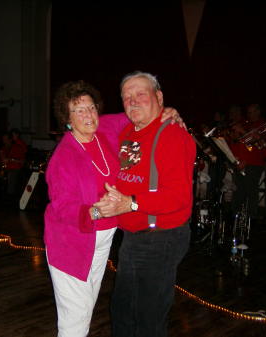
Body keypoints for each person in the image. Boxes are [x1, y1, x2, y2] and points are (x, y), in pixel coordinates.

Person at [44, 79, 183, 337]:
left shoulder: (104, 129)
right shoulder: (63, 158)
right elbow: (63, 209)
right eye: (79, 110)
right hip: (72, 243)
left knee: (88, 306)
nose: (89, 115)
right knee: (76, 317)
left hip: (102, 240)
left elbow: (136, 113)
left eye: (91, 107)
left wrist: (166, 111)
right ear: (67, 118)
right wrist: (97, 211)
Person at [94, 71, 196, 337]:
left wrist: (131, 203)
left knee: (147, 319)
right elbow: (85, 122)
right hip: (133, 236)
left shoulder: (173, 135)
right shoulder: (127, 130)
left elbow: (178, 197)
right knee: (123, 312)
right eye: (127, 97)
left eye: (141, 94)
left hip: (159, 238)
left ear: (159, 97)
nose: (133, 101)